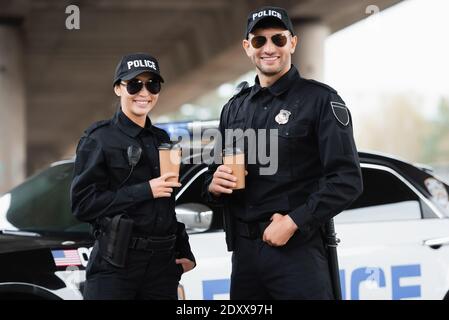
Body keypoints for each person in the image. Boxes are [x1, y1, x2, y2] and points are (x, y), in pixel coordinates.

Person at [204, 6, 363, 299]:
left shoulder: (320, 100)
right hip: (245, 257)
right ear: (246, 47)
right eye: (259, 41)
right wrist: (213, 187)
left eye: (278, 39)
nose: (269, 48)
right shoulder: (233, 108)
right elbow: (216, 176)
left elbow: (347, 180)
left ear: (292, 42)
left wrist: (294, 222)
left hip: (297, 253)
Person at [71, 53, 195, 300]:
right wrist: (145, 190)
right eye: (135, 84)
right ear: (118, 88)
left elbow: (166, 204)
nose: (144, 92)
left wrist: (184, 249)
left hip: (162, 268)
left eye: (152, 84)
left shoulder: (162, 140)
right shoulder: (98, 138)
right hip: (116, 264)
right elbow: (82, 205)